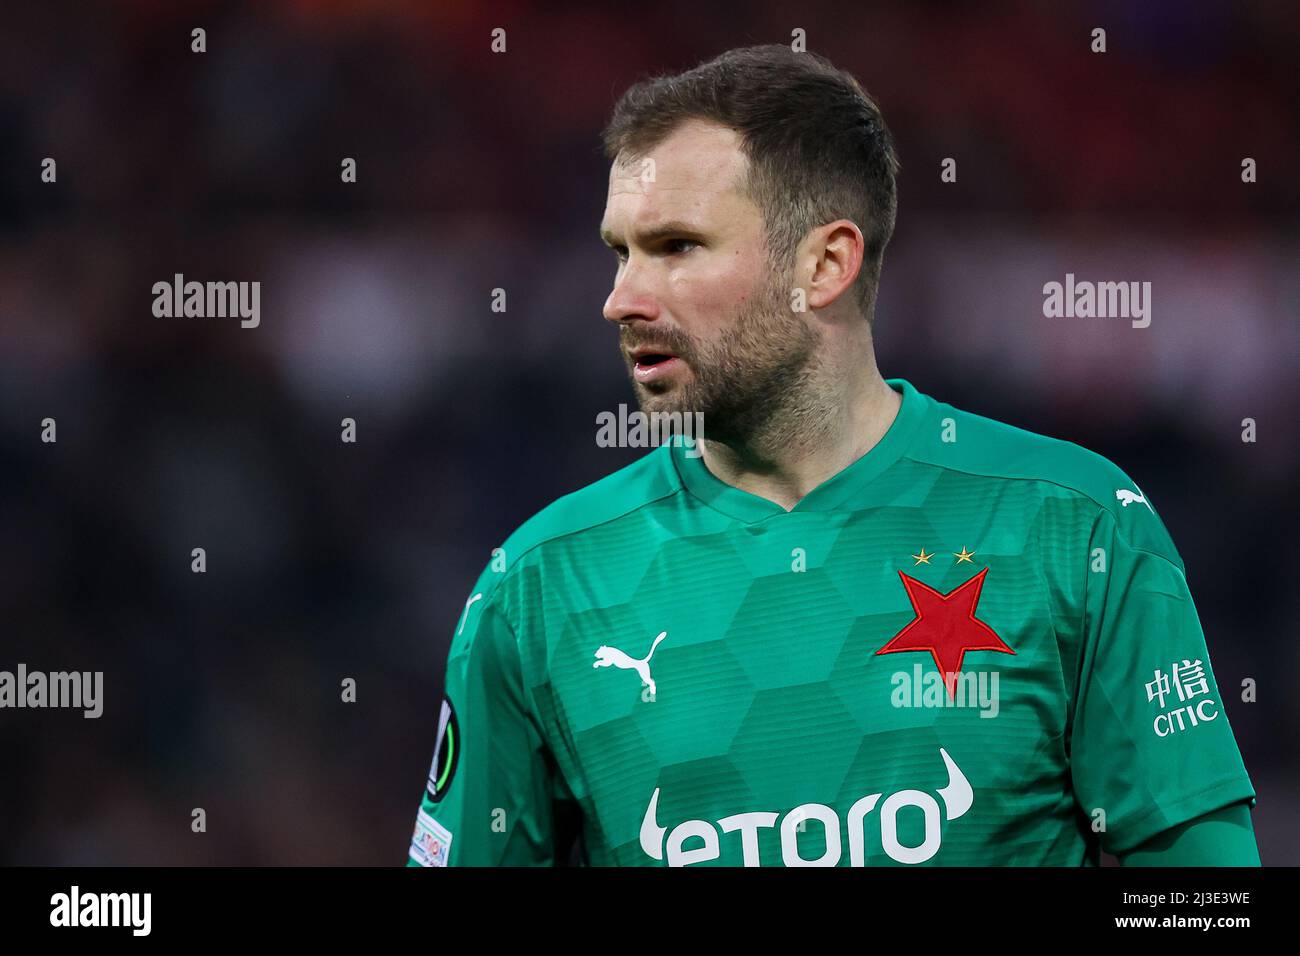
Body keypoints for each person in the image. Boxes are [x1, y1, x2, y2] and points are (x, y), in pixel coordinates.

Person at [407, 44, 1257, 867]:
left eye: (676, 248)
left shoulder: (1078, 527)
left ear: (824, 264)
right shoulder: (538, 588)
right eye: (620, 251)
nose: (621, 299)